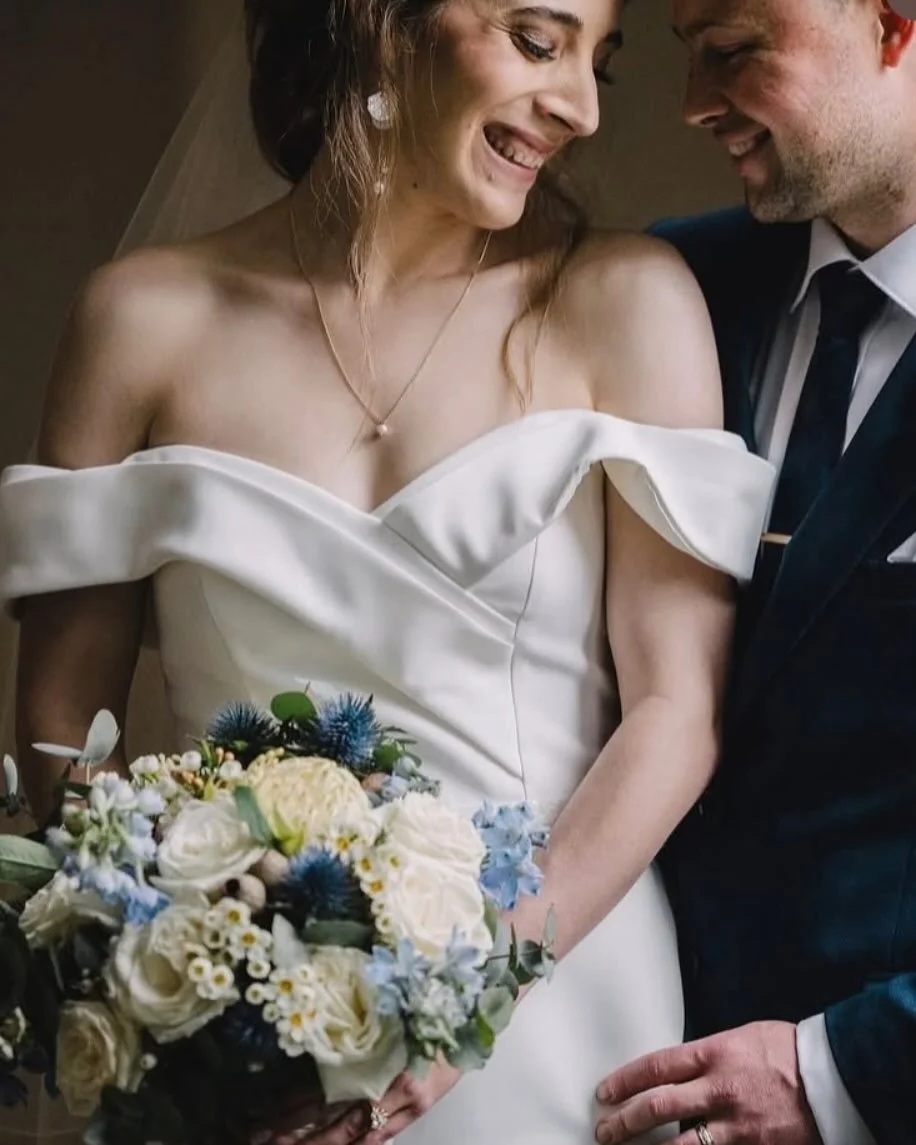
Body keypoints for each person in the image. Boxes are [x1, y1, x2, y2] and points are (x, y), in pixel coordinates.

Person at [0, 1, 774, 1142]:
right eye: (535, 39)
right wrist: (171, 979)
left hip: (553, 1004)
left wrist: (463, 1003)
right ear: (382, 24)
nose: (582, 106)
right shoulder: (141, 322)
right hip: (245, 1029)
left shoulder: (625, 297)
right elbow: (65, 731)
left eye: (598, 61)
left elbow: (674, 713)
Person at [593, 1, 916, 1144]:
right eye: (683, 49)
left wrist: (844, 1071)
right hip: (600, 1065)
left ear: (889, 25)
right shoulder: (659, 287)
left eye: (732, 50)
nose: (691, 101)